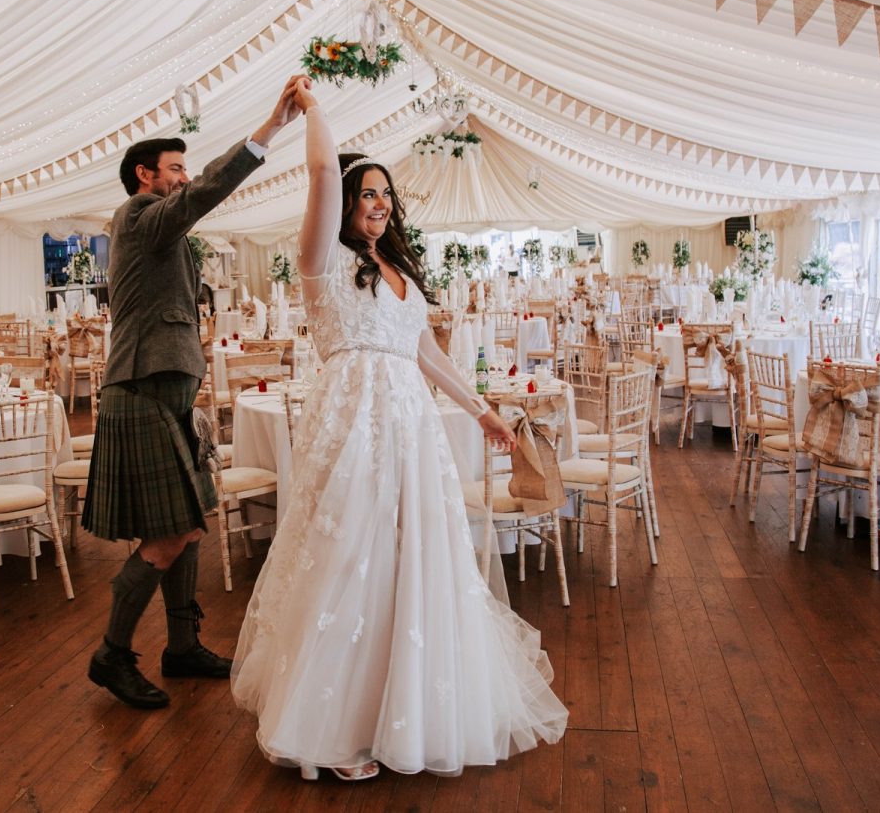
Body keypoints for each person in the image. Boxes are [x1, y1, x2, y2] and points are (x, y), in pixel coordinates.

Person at [230, 78, 568, 779]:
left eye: (385, 194)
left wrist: (482, 411)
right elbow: (323, 173)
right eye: (366, 194)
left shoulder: (397, 269)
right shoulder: (323, 263)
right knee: (351, 550)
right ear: (346, 204)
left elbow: (426, 354)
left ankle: (408, 706)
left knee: (413, 552)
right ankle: (339, 728)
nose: (378, 204)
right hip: (353, 420)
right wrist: (311, 110)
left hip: (410, 423)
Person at [83, 76, 306, 710]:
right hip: (141, 392)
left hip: (167, 395)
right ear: (144, 176)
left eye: (184, 168)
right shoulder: (138, 216)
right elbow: (206, 191)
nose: (184, 178)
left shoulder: (163, 230)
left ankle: (181, 647)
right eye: (175, 169)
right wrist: (269, 129)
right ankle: (111, 655)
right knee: (165, 537)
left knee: (188, 528)